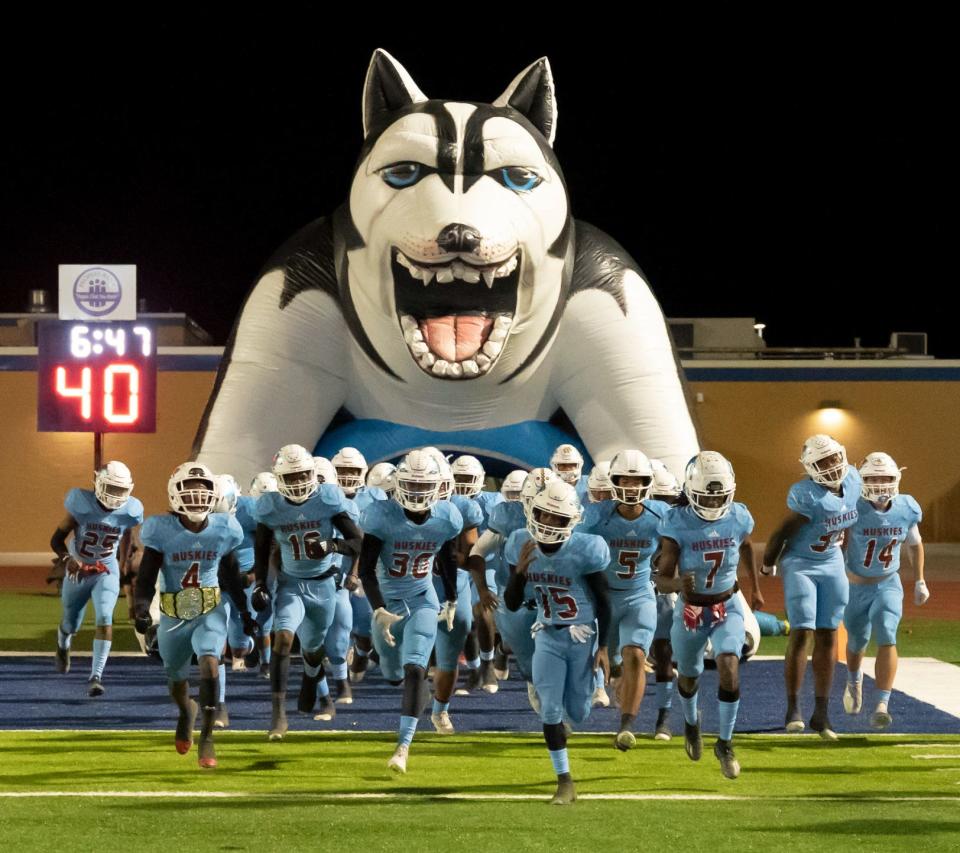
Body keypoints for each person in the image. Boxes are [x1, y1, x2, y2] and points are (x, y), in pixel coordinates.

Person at [134, 462, 256, 768]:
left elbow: (229, 574)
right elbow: (147, 577)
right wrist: (140, 607)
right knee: (176, 680)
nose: (197, 498)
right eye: (190, 491)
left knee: (210, 664)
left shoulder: (224, 528)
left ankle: (207, 735)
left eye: (203, 491)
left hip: (210, 609)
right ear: (175, 495)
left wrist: (243, 610)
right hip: (174, 613)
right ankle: (186, 710)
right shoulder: (160, 529)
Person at [656, 452, 762, 780]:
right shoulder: (677, 522)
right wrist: (675, 582)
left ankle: (726, 743)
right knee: (688, 675)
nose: (714, 503)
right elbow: (661, 578)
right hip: (690, 608)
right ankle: (691, 723)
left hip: (726, 605)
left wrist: (755, 586)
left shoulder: (739, 517)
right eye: (707, 495)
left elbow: (744, 545)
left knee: (730, 662)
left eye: (719, 495)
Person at [504, 479, 610, 805]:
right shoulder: (522, 542)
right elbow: (510, 603)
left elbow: (604, 602)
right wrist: (519, 574)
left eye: (556, 518)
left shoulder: (585, 549)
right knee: (550, 709)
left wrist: (604, 647)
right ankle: (564, 781)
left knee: (578, 712)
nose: (548, 523)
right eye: (543, 515)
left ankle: (596, 682)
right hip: (547, 633)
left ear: (571, 522)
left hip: (582, 636)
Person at [357, 450, 462, 772]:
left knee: (416, 669)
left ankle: (403, 747)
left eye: (423, 486)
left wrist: (452, 599)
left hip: (423, 599)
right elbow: (366, 571)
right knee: (392, 676)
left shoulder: (447, 517)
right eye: (411, 486)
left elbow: (447, 560)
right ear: (399, 484)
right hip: (387, 603)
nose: (417, 493)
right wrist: (377, 609)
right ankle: (416, 699)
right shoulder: (381, 515)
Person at [251, 445, 362, 740]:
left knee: (314, 650)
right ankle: (278, 714)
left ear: (313, 474)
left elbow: (357, 541)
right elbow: (262, 550)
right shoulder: (271, 506)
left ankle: (311, 678)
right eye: (291, 476)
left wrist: (332, 546)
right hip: (291, 585)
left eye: (302, 474)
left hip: (324, 585)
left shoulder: (327, 499)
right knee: (283, 637)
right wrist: (261, 583)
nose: (298, 481)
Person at [763, 435, 861, 740]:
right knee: (802, 631)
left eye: (833, 458)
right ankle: (793, 708)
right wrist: (768, 563)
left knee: (829, 633)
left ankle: (822, 712)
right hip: (801, 563)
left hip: (831, 560)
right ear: (810, 468)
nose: (831, 466)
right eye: (823, 463)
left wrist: (848, 557)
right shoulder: (806, 495)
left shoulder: (854, 480)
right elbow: (783, 532)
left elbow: (849, 523)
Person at [579, 449, 670, 750]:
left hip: (639, 593)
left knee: (636, 655)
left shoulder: (661, 514)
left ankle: (627, 725)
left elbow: (681, 542)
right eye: (624, 481)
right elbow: (572, 546)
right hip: (601, 597)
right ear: (614, 481)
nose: (631, 487)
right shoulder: (596, 515)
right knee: (603, 662)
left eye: (638, 481)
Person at [842, 452, 926, 730]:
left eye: (885, 478)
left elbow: (915, 544)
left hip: (888, 582)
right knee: (856, 641)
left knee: (887, 634)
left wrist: (920, 580)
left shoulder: (905, 507)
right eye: (873, 478)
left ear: (897, 480)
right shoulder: (851, 506)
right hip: (855, 585)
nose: (880, 484)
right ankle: (854, 679)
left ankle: (881, 703)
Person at [51, 461, 143, 696]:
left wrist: (122, 562)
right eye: (110, 488)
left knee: (105, 616)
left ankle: (96, 675)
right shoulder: (81, 504)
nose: (115, 495)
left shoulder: (130, 511)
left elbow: (126, 534)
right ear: (99, 484)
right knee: (72, 622)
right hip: (79, 568)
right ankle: (63, 641)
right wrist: (67, 560)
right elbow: (56, 540)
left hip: (106, 569)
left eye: (119, 490)